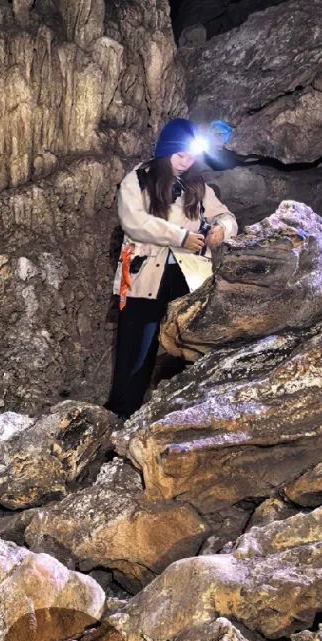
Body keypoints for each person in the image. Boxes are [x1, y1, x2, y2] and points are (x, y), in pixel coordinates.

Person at [107, 118, 238, 418]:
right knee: (137, 349)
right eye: (181, 156)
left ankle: (181, 414)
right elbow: (134, 222)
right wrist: (180, 236)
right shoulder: (139, 179)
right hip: (144, 278)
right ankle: (120, 414)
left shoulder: (196, 185)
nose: (186, 162)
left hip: (188, 277)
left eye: (191, 157)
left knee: (186, 344)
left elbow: (226, 215)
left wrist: (222, 230)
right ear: (166, 152)